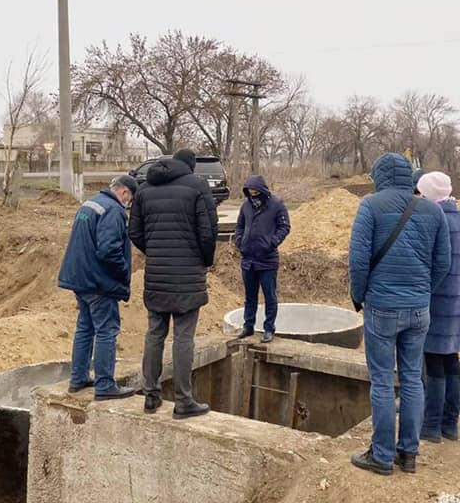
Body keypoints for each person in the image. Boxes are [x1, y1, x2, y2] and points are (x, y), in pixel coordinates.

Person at [348, 153, 451, 475]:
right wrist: (422, 292)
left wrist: (359, 295)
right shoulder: (434, 211)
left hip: (382, 306)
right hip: (419, 310)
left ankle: (381, 456)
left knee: (381, 381)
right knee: (411, 379)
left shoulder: (370, 205)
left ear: (379, 176)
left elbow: (358, 259)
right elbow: (443, 263)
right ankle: (409, 454)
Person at [129, 148, 217, 419]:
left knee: (155, 334)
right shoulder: (197, 186)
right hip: (187, 275)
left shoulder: (144, 189)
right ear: (191, 166)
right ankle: (183, 401)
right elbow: (208, 231)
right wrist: (204, 260)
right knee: (183, 337)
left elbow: (134, 231)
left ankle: (151, 395)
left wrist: (155, 251)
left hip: (156, 274)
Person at [57, 175, 139, 398]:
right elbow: (109, 250)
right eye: (130, 199)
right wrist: (123, 272)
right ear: (124, 193)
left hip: (80, 279)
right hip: (98, 283)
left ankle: (79, 378)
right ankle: (104, 385)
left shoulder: (89, 204)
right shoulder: (113, 211)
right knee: (106, 331)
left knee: (85, 328)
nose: (129, 204)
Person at [417, 171, 460, 443]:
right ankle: (450, 424)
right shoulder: (458, 216)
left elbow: (433, 265)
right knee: (451, 362)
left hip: (439, 301)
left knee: (433, 363)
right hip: (457, 300)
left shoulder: (438, 220)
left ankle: (431, 425)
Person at [233, 175, 291, 344]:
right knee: (249, 296)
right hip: (248, 259)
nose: (252, 193)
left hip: (267, 260)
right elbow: (239, 226)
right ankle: (248, 326)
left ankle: (269, 328)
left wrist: (272, 242)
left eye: (255, 190)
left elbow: (285, 226)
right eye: (250, 191)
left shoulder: (276, 204)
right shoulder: (246, 205)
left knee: (269, 296)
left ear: (262, 190)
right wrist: (239, 241)